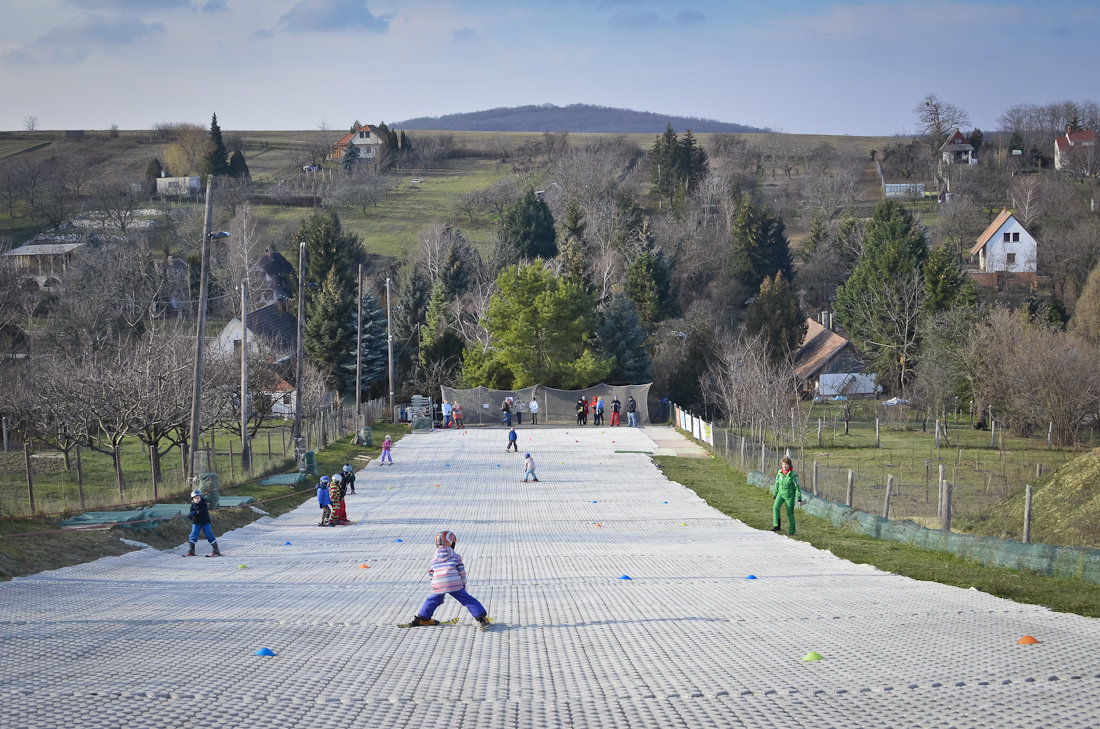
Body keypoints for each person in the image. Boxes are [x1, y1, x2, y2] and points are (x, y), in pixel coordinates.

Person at [404, 530, 491, 628]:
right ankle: (482, 618)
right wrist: (463, 585)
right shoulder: (455, 556)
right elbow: (461, 572)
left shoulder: (434, 559)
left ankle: (423, 619)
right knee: (467, 600)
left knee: (433, 600)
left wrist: (435, 586)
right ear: (452, 543)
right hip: (454, 582)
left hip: (438, 583)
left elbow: (431, 572)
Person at [771, 456, 804, 535]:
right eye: (783, 464)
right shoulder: (779, 473)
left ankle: (792, 531)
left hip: (789, 496)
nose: (784, 466)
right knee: (775, 507)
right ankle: (777, 526)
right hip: (780, 494)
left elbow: (797, 488)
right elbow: (777, 483)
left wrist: (799, 499)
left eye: (786, 465)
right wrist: (775, 493)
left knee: (790, 513)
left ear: (789, 465)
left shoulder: (793, 475)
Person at [185, 488, 222, 556]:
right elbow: (191, 513)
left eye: (198, 498)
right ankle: (191, 550)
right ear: (193, 499)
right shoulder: (193, 505)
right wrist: (190, 515)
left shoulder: (203, 503)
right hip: (196, 522)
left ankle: (216, 549)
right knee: (193, 534)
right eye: (195, 498)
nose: (197, 499)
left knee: (209, 534)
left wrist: (196, 512)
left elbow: (203, 511)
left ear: (200, 497)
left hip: (205, 522)